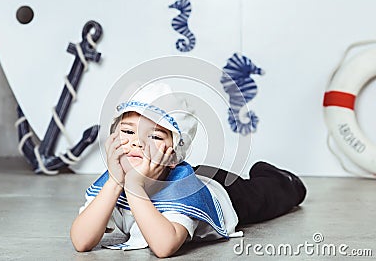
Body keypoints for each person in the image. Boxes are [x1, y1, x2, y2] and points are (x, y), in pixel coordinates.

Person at [70, 83, 306, 258]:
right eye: (128, 132)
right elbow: (81, 242)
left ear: (174, 154)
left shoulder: (184, 191)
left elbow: (163, 247)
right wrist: (115, 183)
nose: (136, 143)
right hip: (188, 172)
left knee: (264, 195)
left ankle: (279, 177)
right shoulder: (113, 180)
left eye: (153, 136)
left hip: (222, 192)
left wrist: (134, 186)